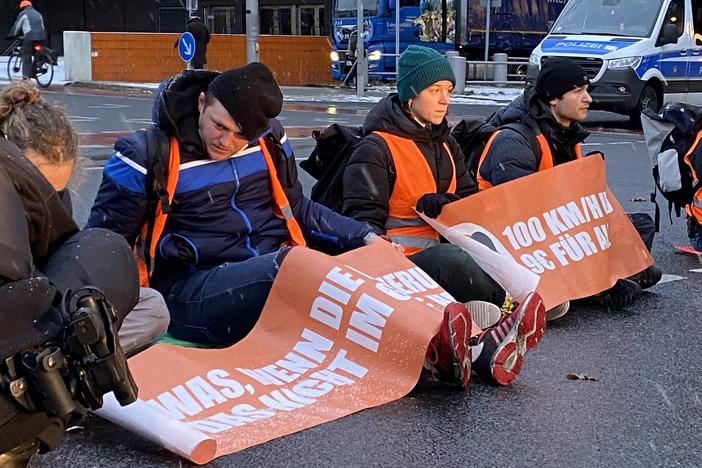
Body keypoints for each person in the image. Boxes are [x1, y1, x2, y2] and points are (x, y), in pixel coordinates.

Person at [88, 63, 485, 391]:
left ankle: (464, 346)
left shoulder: (270, 144)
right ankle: (436, 347)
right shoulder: (145, 154)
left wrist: (367, 239)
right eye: (219, 126)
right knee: (297, 269)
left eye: (241, 136)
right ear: (202, 101)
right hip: (190, 292)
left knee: (365, 263)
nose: (226, 141)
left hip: (270, 270)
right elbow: (104, 244)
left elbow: (299, 209)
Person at [341, 45, 546, 387]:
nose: (444, 100)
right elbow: (362, 220)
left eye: (448, 91)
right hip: (401, 266)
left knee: (482, 260)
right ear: (410, 96)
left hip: (445, 256)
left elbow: (470, 203)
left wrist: (448, 202)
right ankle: (503, 323)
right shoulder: (376, 147)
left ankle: (476, 342)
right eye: (434, 91)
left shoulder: (445, 143)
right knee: (458, 264)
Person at [0, 82, 171, 465]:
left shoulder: (51, 205)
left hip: (35, 321)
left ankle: (59, 375)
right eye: (36, 190)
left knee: (149, 306)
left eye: (55, 193)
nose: (44, 200)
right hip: (17, 331)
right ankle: (46, 391)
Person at [476, 57, 662, 316]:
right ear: (553, 98)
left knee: (640, 225)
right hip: (518, 239)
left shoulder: (565, 133)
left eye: (586, 90)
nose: (588, 99)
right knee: (627, 256)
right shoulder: (514, 140)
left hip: (554, 230)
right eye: (578, 91)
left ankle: (598, 281)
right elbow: (523, 216)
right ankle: (599, 284)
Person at [8, 1, 46, 80]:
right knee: (39, 53)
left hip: (30, 37)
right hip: (41, 36)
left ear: (22, 7)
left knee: (26, 55)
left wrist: (12, 35)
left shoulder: (23, 14)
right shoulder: (38, 13)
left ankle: (26, 77)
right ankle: (38, 65)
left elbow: (17, 26)